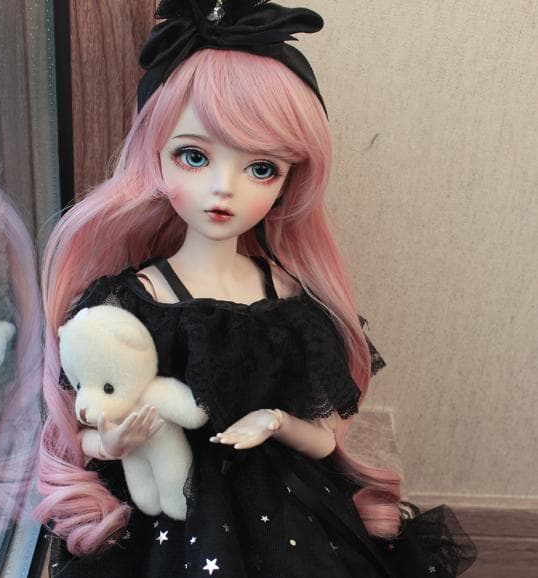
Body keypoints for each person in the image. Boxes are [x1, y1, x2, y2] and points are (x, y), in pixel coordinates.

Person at [35, 1, 476, 576]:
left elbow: (324, 440)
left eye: (261, 168)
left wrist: (276, 422)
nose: (224, 189)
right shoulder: (134, 301)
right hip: (167, 506)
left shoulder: (290, 299)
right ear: (155, 158)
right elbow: (89, 428)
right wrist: (115, 443)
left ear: (290, 180)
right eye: (194, 156)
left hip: (286, 507)